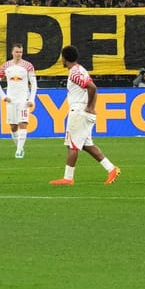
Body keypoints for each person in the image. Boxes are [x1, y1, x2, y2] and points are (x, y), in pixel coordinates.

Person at [51, 45, 120, 187]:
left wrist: (89, 107)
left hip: (78, 111)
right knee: (87, 145)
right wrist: (92, 107)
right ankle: (111, 168)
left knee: (72, 145)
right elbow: (93, 87)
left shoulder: (74, 73)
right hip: (83, 111)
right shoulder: (80, 69)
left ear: (64, 58)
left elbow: (92, 87)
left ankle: (68, 178)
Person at [0, 43, 37, 158]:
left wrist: (32, 99)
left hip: (23, 99)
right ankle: (20, 148)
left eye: (20, 52)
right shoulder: (6, 66)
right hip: (11, 100)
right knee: (13, 126)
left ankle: (19, 151)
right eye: (17, 52)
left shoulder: (28, 66)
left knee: (23, 123)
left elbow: (34, 84)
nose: (19, 54)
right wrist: (3, 96)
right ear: (12, 52)